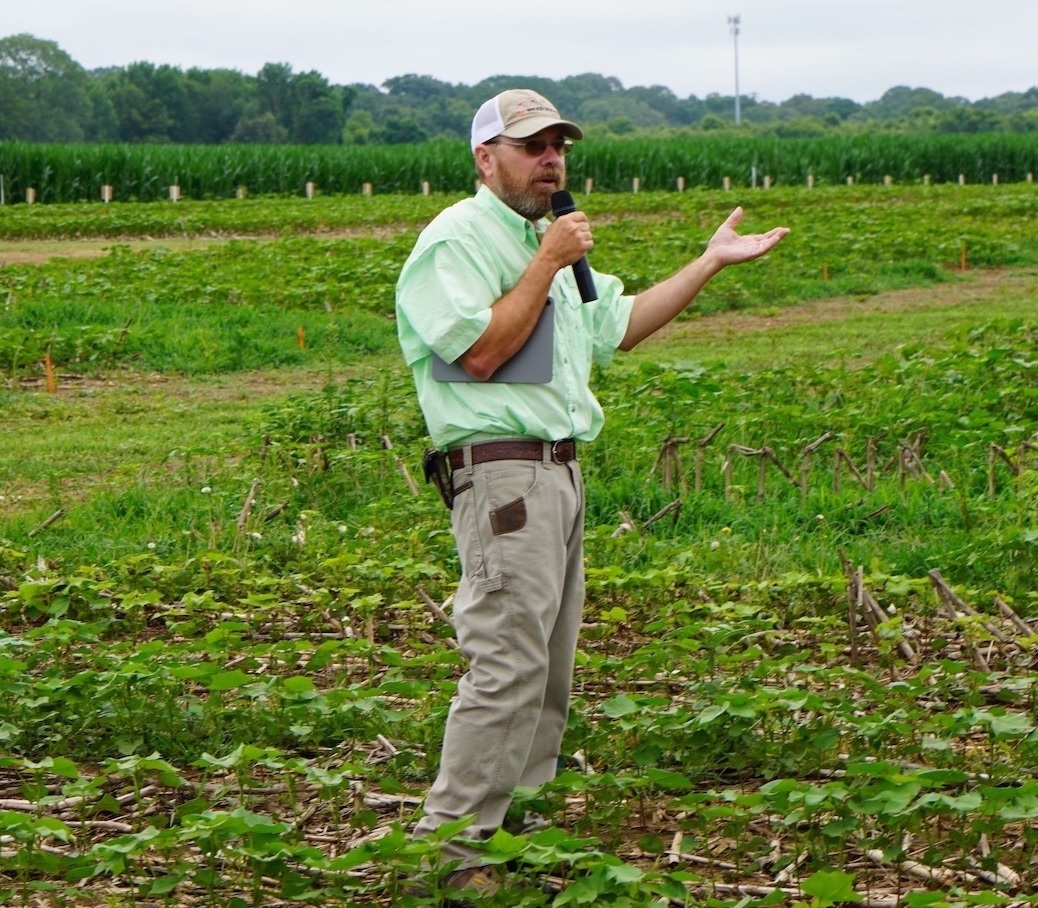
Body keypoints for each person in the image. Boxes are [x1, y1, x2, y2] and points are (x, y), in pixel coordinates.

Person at [395, 88, 788, 898]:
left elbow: (619, 323)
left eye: (558, 146)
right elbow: (478, 356)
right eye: (533, 146)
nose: (552, 160)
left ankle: (515, 838)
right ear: (485, 158)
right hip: (502, 474)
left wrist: (709, 262)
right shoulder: (457, 242)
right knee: (505, 664)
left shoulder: (552, 243)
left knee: (548, 675)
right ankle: (447, 860)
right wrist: (545, 262)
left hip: (560, 472)